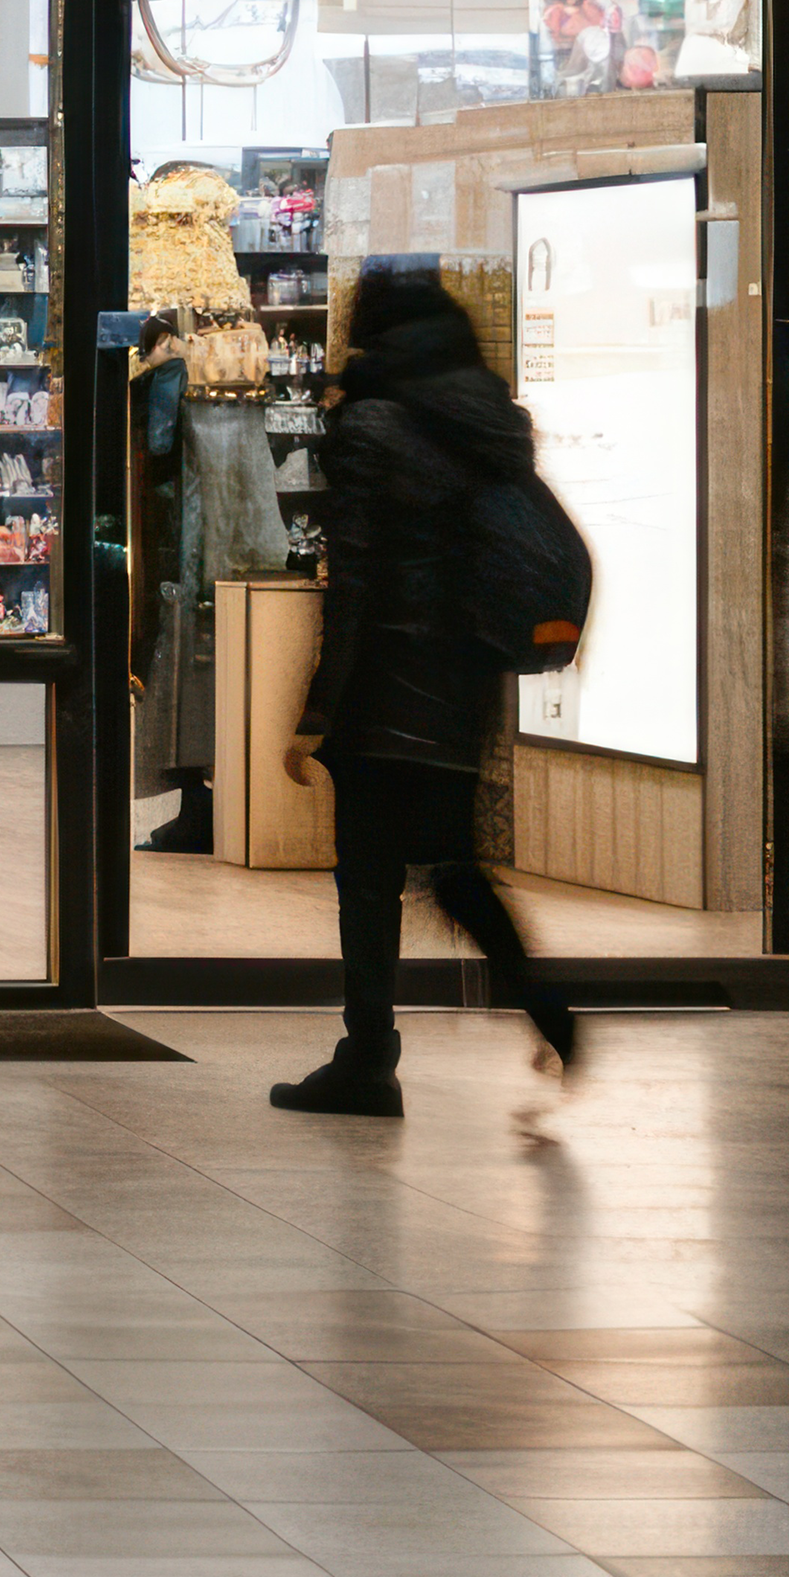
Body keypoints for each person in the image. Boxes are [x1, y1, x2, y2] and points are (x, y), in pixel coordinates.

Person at [270, 257, 571, 1122]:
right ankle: (549, 1010)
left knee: (367, 882)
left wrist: (318, 707)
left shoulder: (370, 424)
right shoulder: (486, 419)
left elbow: (354, 582)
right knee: (453, 868)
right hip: (464, 679)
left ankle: (369, 1059)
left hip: (383, 689)